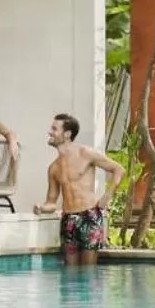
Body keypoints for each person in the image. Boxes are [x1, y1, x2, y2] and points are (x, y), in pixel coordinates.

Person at [34, 112, 124, 265]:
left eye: (54, 129)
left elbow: (118, 169)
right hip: (68, 220)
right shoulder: (53, 168)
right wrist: (41, 207)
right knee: (70, 274)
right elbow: (51, 202)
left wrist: (107, 196)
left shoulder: (85, 153)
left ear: (67, 134)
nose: (50, 132)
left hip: (89, 216)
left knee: (88, 273)